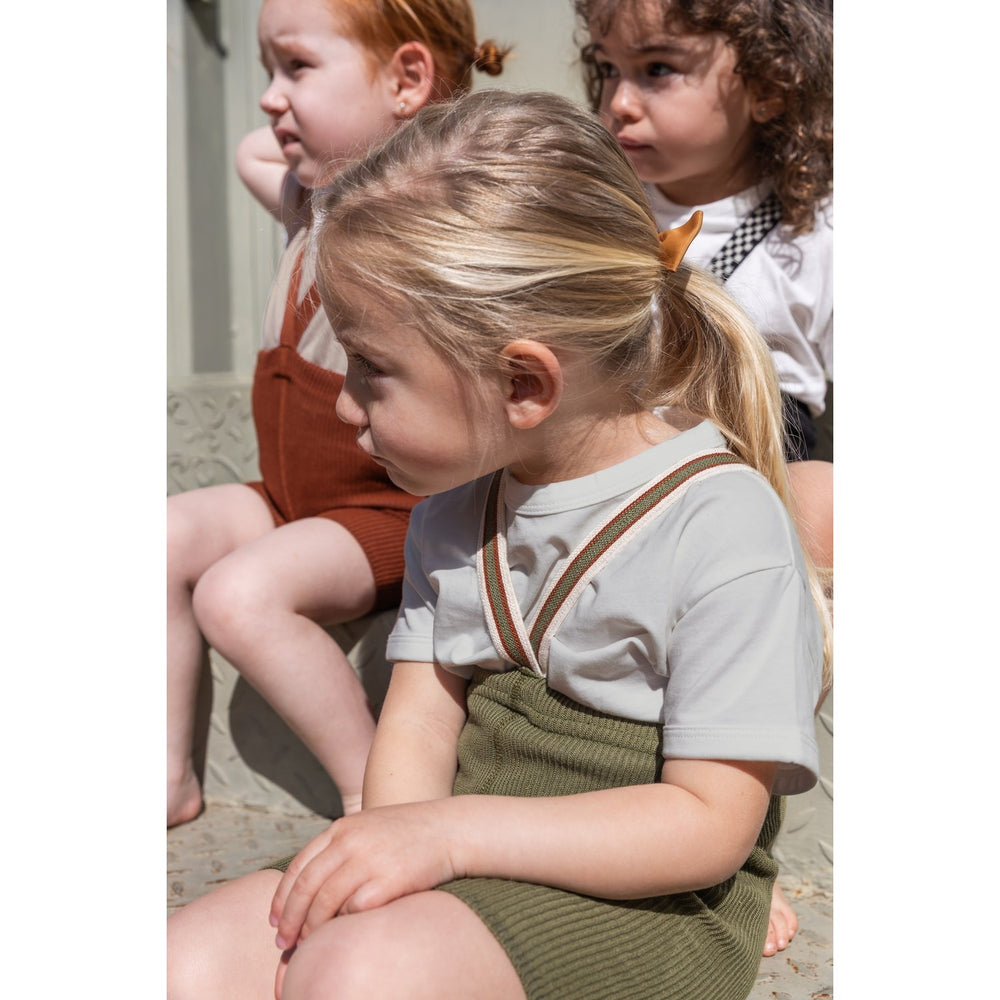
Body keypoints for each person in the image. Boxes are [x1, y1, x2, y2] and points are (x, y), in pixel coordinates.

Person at [167, 88, 831, 1000]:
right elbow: (418, 723)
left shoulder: (720, 523)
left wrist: (444, 838)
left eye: (371, 367)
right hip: (469, 856)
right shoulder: (451, 512)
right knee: (188, 959)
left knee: (359, 974)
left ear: (524, 383)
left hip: (650, 901)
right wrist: (392, 846)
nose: (344, 403)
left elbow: (707, 823)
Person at [166, 0, 507, 828]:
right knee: (158, 537)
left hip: (387, 511)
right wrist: (318, 122)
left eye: (297, 66)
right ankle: (166, 773)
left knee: (237, 597)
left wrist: (417, 136)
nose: (268, 98)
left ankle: (372, 793)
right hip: (292, 498)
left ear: (408, 79)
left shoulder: (420, 218)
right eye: (266, 69)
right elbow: (255, 151)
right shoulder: (305, 200)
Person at [574, 0, 834, 952]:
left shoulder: (813, 236)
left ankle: (741, 838)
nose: (619, 102)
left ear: (766, 84)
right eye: (607, 70)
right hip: (623, 471)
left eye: (657, 69)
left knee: (820, 509)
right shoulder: (599, 213)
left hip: (760, 470)